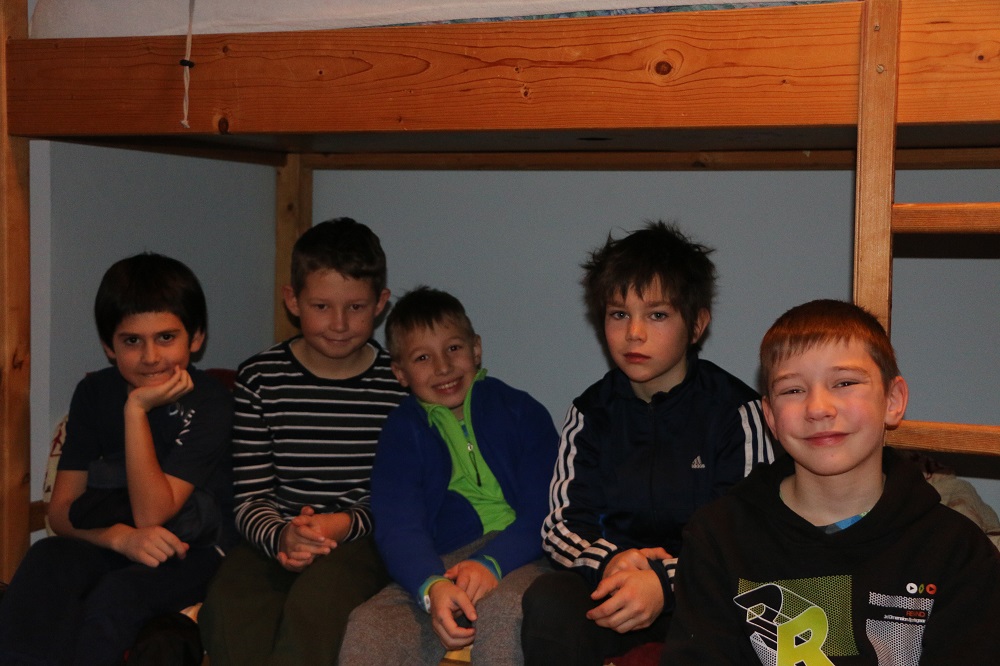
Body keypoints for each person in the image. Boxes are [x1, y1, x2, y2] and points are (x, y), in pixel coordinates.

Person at [660, 299, 1000, 664]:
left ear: (893, 400)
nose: (818, 408)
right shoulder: (718, 538)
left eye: (845, 383)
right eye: (793, 390)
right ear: (770, 416)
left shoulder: (957, 551)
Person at [521, 221, 778, 665]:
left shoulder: (737, 412)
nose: (634, 333)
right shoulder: (590, 412)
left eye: (657, 315)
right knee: (549, 598)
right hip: (616, 583)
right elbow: (561, 526)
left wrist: (665, 582)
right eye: (619, 314)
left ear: (696, 325)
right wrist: (613, 562)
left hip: (705, 592)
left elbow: (746, 536)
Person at [0, 253, 235, 666]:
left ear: (196, 338)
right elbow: (61, 511)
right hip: (116, 537)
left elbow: (152, 514)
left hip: (191, 550)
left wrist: (135, 412)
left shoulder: (212, 401)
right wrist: (119, 538)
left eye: (166, 337)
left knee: (116, 596)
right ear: (109, 346)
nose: (151, 356)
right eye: (131, 341)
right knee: (47, 559)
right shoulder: (94, 394)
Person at [198, 218, 408, 665]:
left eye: (356, 307)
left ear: (380, 304)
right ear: (292, 300)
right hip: (277, 533)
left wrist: (341, 524)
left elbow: (401, 497)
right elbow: (250, 496)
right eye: (321, 306)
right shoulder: (260, 378)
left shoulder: (399, 385)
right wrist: (283, 536)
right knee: (230, 602)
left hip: (360, 538)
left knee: (318, 605)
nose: (339, 324)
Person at [339, 287, 559, 665]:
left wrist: (492, 563)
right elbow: (398, 525)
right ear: (400, 373)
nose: (443, 367)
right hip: (441, 564)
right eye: (423, 357)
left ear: (476, 349)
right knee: (369, 625)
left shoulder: (522, 412)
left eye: (453, 348)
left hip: (523, 553)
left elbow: (548, 507)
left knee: (505, 611)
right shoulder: (401, 432)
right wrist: (431, 586)